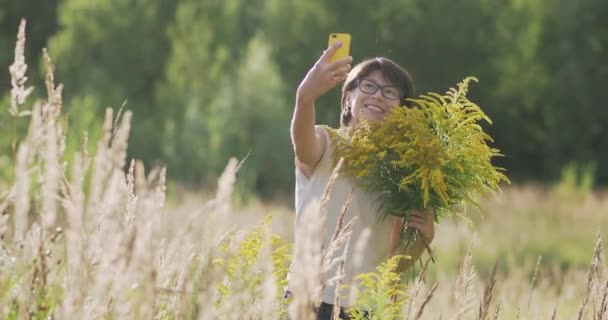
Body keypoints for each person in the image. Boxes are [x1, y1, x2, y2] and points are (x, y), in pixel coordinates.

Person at [290, 41, 435, 319]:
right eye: (368, 86)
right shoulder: (326, 143)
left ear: (403, 110)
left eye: (391, 92)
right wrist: (304, 97)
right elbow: (302, 148)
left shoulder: (403, 171)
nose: (379, 96)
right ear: (347, 99)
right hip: (311, 299)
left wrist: (424, 238)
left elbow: (391, 262)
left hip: (365, 308)